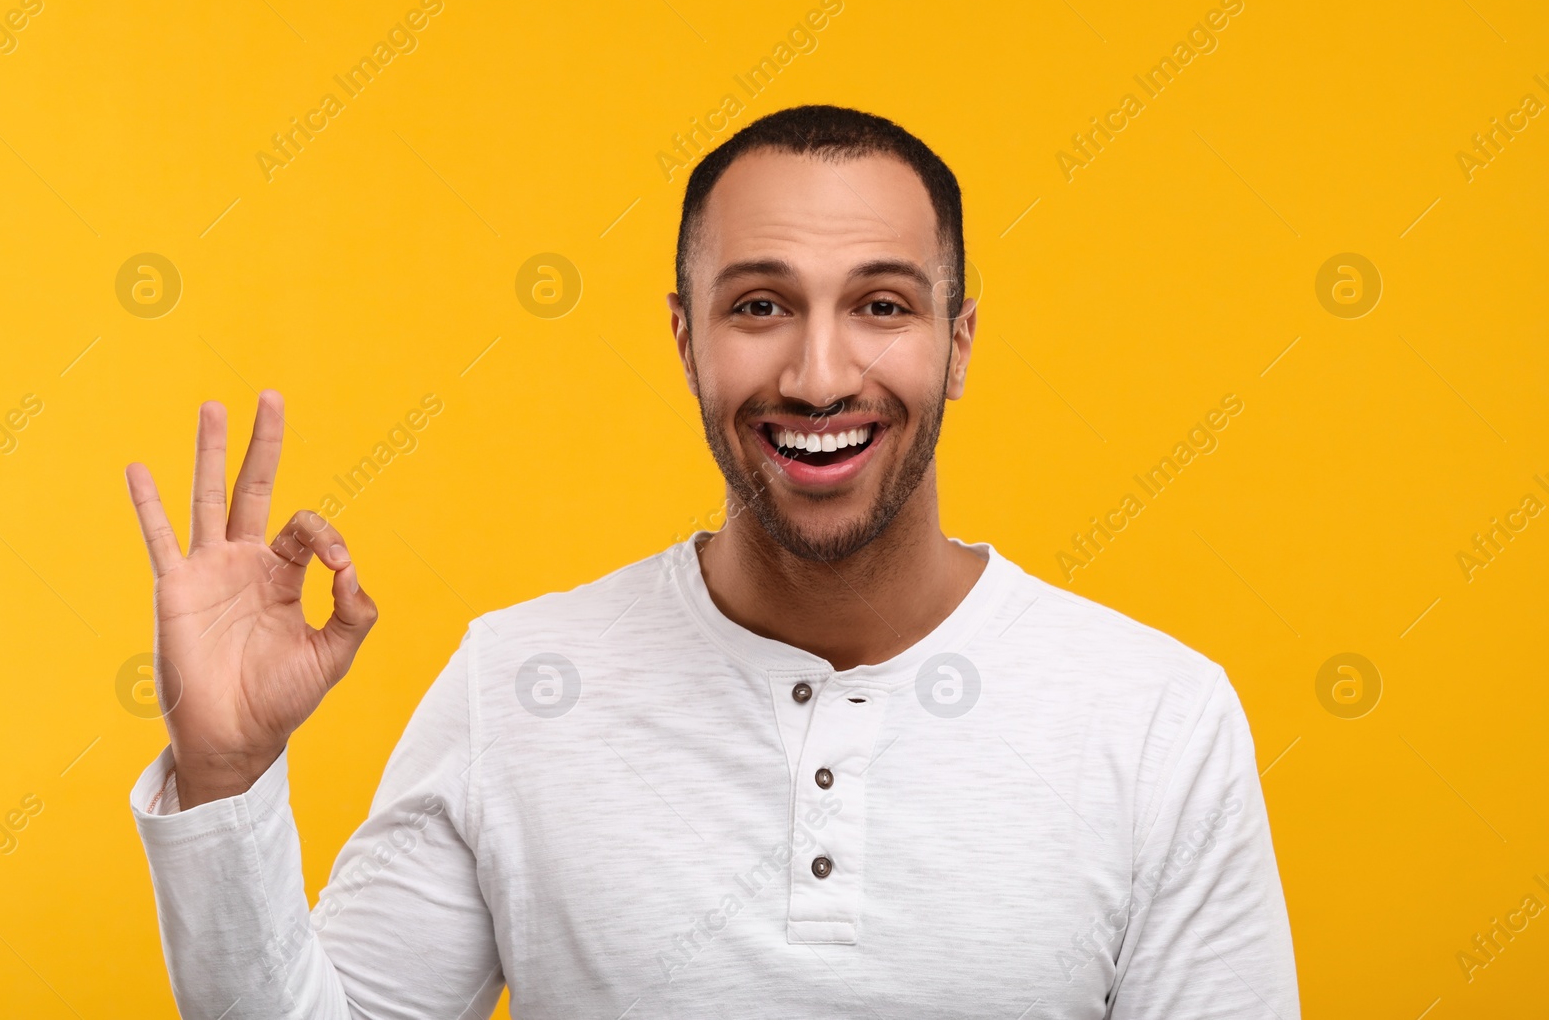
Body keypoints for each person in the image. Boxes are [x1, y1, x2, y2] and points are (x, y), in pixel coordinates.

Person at [125, 104, 1300, 1018]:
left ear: (958, 342)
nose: (819, 373)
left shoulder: (1157, 715)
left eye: (882, 305)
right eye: (758, 307)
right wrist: (225, 773)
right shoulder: (517, 683)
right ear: (685, 337)